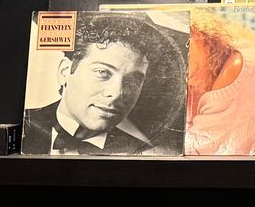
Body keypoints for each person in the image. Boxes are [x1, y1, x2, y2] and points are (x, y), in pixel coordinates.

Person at [22, 12, 165, 155]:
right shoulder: (23, 126)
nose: (116, 94)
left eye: (133, 81)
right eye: (103, 72)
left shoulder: (140, 152)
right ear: (64, 71)